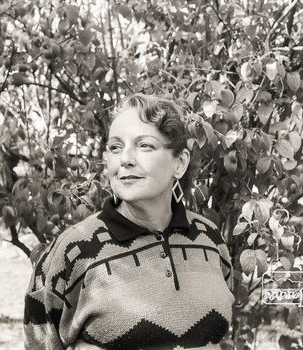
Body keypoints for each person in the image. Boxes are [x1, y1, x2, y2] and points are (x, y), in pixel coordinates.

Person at [23, 94, 234, 350]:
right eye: (115, 147)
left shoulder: (209, 239)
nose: (125, 159)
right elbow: (38, 343)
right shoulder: (74, 250)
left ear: (180, 163)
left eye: (144, 145)